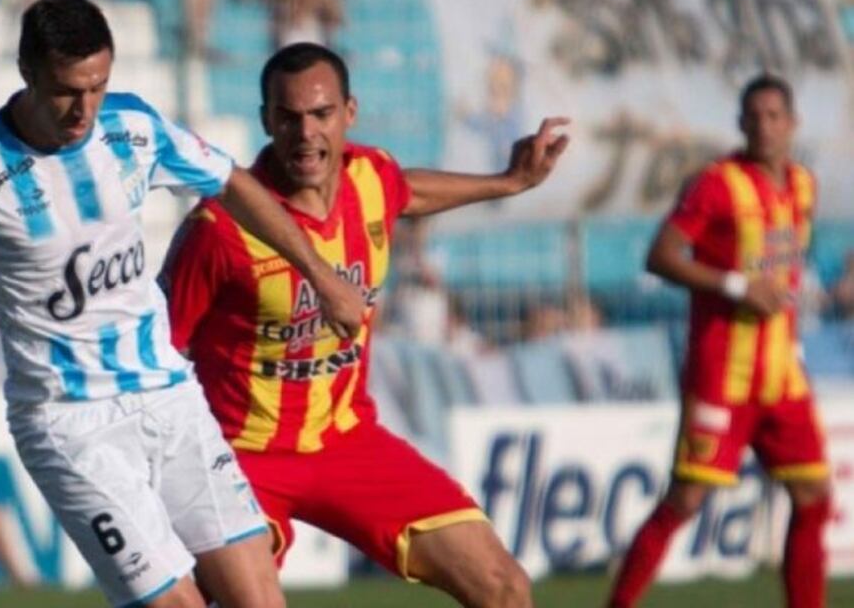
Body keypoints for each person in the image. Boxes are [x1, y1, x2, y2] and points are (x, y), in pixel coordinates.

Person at [0, 0, 365, 608]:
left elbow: (233, 182)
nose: (84, 109)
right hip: (71, 425)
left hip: (169, 397)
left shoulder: (132, 126)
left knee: (258, 597)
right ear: (27, 71)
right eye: (66, 91)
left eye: (98, 87)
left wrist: (320, 274)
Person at [161, 42, 569, 608]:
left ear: (348, 113)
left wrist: (508, 181)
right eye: (289, 117)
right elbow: (155, 348)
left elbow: (409, 191)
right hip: (240, 457)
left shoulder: (371, 177)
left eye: (321, 114)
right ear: (266, 121)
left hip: (347, 440)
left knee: (504, 588)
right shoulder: (219, 229)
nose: (306, 133)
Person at [606, 74, 831, 608]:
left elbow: (787, 268)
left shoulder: (802, 185)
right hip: (721, 376)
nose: (764, 127)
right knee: (685, 498)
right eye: (754, 117)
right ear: (740, 124)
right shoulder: (715, 184)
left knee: (814, 498)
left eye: (775, 116)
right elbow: (660, 255)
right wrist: (735, 285)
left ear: (792, 123)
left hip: (781, 376)